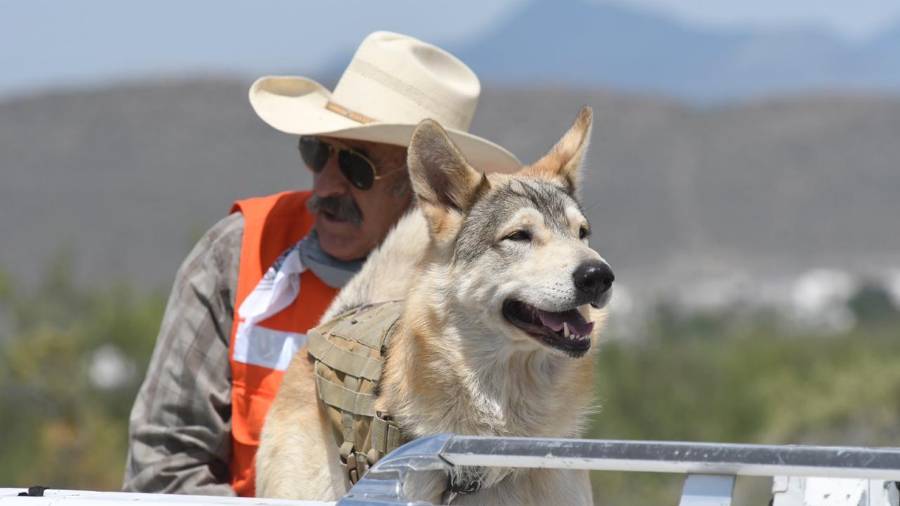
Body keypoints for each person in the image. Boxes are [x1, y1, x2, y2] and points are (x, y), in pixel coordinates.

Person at [123, 31, 521, 497]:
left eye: (357, 167)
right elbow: (162, 469)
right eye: (317, 152)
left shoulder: (486, 304)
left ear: (429, 191)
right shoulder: (236, 254)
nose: (327, 185)